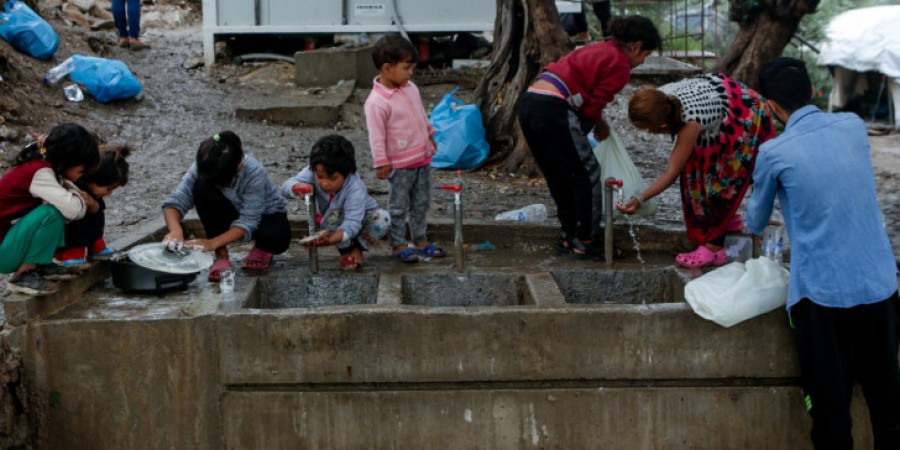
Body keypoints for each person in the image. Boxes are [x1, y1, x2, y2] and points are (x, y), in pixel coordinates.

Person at [748, 57, 900, 449]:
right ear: (813, 91)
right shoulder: (852, 126)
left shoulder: (773, 152)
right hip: (880, 285)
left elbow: (754, 220)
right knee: (889, 404)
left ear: (770, 106)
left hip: (821, 296)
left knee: (831, 413)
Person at [517, 15, 661, 259]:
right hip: (554, 109)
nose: (640, 63)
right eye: (644, 56)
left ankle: (568, 235)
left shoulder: (599, 49)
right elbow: (592, 107)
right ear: (635, 46)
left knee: (559, 175)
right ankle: (587, 239)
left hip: (530, 101)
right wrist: (598, 124)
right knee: (587, 174)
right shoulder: (620, 64)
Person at [620, 73, 774, 267]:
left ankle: (714, 248)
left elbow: (672, 172)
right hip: (721, 101)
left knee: (720, 180)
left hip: (744, 112)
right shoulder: (660, 100)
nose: (649, 133)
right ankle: (726, 220)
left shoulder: (689, 122)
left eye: (649, 129)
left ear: (662, 125)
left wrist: (640, 199)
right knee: (696, 169)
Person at [161, 131, 291, 281]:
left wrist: (211, 243)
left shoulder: (253, 171)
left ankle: (262, 249)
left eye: (220, 182)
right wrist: (176, 231)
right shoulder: (204, 165)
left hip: (263, 216)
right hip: (227, 211)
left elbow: (249, 220)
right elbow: (176, 201)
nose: (216, 185)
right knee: (200, 188)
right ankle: (221, 255)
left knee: (277, 237)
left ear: (238, 167)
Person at [364, 34, 445, 263]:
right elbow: (376, 136)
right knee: (398, 207)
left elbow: (420, 114)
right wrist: (381, 162)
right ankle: (398, 244)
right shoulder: (376, 103)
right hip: (399, 165)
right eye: (406, 68)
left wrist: (429, 134)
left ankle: (420, 240)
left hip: (422, 158)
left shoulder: (411, 88)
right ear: (387, 68)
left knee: (421, 203)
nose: (411, 73)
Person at [0, 123, 100, 295]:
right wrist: (80, 197)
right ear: (68, 161)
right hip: (4, 252)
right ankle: (24, 274)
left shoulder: (42, 167)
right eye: (81, 172)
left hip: (9, 243)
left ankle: (41, 264)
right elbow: (74, 210)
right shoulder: (40, 172)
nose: (81, 178)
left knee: (53, 210)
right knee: (51, 213)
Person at [281, 135, 391, 270]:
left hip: (361, 220)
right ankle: (345, 252)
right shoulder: (312, 171)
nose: (325, 184)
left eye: (332, 178)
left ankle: (357, 249)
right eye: (320, 177)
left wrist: (331, 240)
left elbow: (352, 222)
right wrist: (297, 187)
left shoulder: (354, 188)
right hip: (334, 220)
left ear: (348, 172)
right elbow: (285, 187)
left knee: (383, 219)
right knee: (333, 218)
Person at [54, 145, 131, 266]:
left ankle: (95, 245)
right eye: (108, 188)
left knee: (98, 215)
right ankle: (73, 251)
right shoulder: (75, 185)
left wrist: (92, 203)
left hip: (88, 229)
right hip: (70, 233)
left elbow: (97, 208)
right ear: (95, 178)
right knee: (77, 218)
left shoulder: (94, 194)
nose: (109, 193)